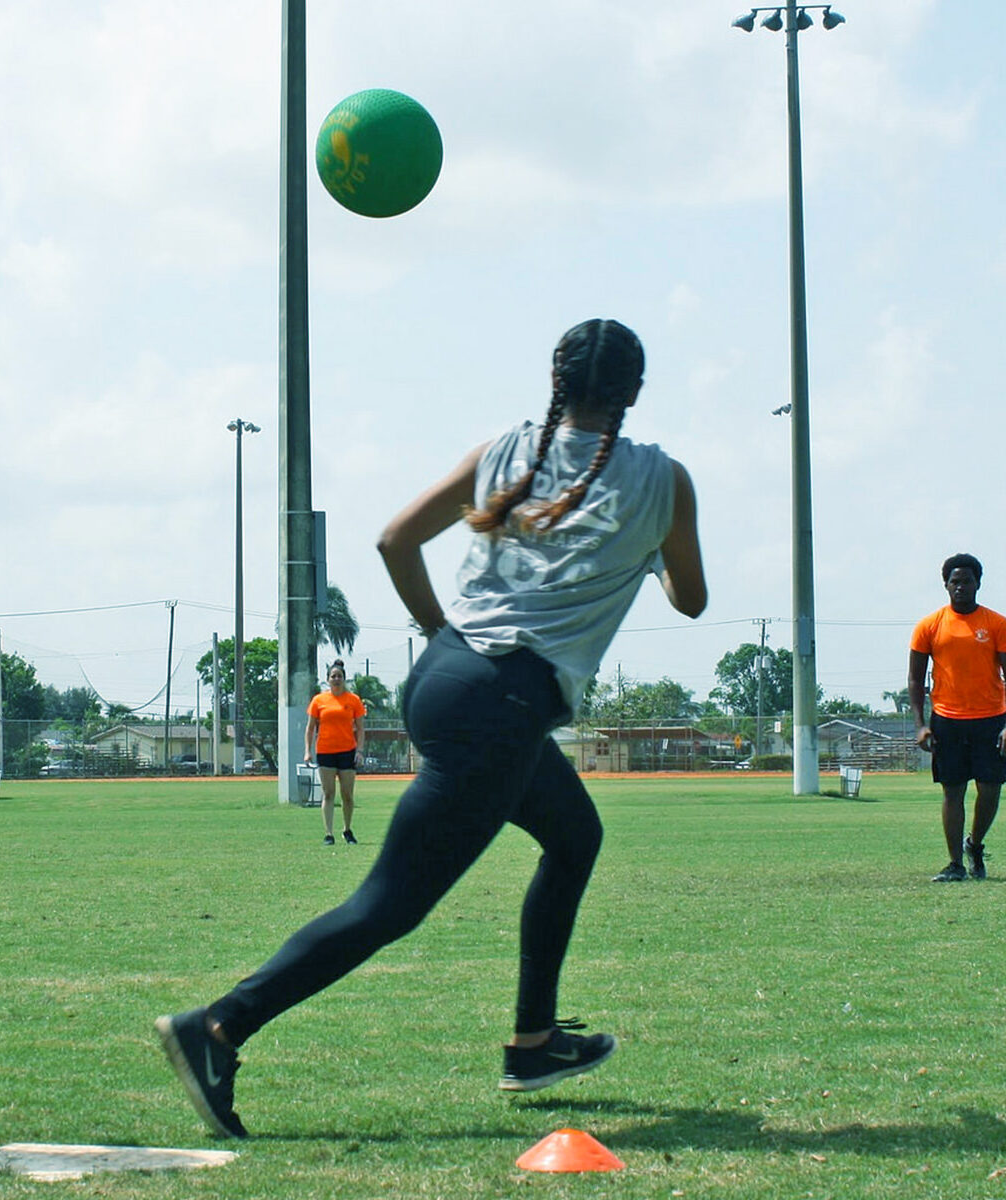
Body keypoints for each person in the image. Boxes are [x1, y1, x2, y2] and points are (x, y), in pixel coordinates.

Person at [156, 318, 706, 1138]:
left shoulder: (500, 452)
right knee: (389, 904)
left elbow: (392, 540)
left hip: (450, 676)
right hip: (504, 706)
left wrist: (443, 631)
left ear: (554, 381)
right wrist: (647, 553)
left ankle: (534, 1041)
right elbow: (691, 599)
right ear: (633, 392)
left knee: (574, 836)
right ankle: (218, 1028)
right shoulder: (664, 480)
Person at [908, 553, 1006, 882]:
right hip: (947, 720)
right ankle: (954, 864)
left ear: (978, 584)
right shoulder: (929, 626)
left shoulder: (996, 624)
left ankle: (975, 845)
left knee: (990, 789)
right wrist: (922, 724)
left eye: (966, 581)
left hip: (991, 718)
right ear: (945, 585)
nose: (960, 586)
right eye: (954, 581)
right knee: (953, 791)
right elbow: (915, 680)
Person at [305, 659, 367, 844]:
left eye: (339, 676)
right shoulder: (319, 700)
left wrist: (360, 750)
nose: (336, 679)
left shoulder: (353, 700)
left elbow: (361, 729)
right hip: (325, 752)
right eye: (333, 676)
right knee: (328, 793)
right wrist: (307, 751)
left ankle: (347, 830)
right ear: (328, 680)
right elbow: (310, 729)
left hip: (347, 751)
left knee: (347, 795)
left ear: (344, 679)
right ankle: (329, 834)